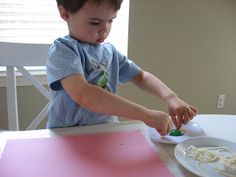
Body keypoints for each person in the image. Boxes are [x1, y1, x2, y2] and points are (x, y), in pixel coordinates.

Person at [46, 0, 198, 136]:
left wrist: (171, 97)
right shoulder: (63, 51)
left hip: (106, 132)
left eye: (110, 21)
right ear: (65, 14)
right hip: (68, 135)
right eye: (95, 22)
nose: (105, 29)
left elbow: (141, 77)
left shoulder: (109, 52)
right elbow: (83, 94)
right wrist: (146, 115)